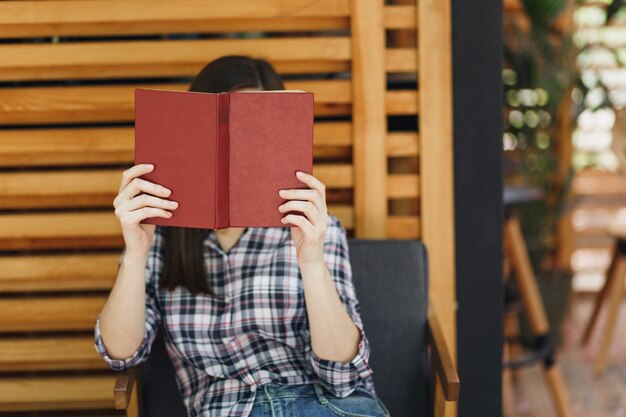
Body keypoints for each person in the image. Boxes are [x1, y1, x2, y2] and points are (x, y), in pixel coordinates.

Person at [94, 55, 390, 417]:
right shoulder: (163, 238)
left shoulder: (313, 227)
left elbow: (343, 373)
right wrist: (135, 252)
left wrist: (311, 261)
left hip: (326, 405)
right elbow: (121, 353)